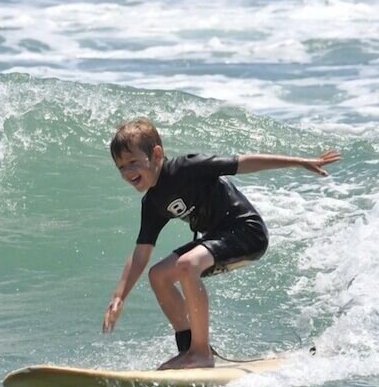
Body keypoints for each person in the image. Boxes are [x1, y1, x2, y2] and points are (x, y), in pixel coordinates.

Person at [102, 118, 341, 370]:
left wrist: (301, 162)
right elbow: (141, 255)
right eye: (120, 167)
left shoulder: (187, 167)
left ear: (157, 154)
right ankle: (189, 349)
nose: (127, 173)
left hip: (247, 232)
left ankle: (201, 353)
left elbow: (243, 162)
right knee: (158, 275)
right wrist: (119, 297)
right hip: (216, 237)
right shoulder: (152, 204)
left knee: (187, 265)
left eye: (133, 162)